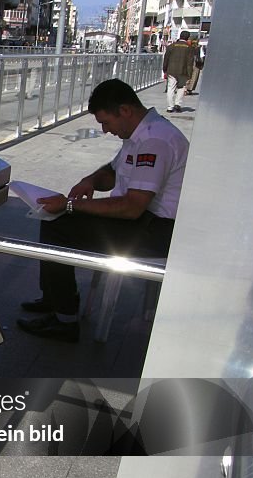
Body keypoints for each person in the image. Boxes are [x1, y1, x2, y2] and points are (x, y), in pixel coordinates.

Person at [16, 78, 189, 342]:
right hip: (144, 220)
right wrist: (91, 181)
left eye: (106, 122)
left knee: (59, 226)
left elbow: (132, 207)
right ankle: (54, 298)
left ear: (125, 110)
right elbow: (113, 172)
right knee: (55, 218)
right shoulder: (140, 134)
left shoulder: (156, 141)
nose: (105, 130)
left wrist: (71, 204)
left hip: (157, 230)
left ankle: (65, 321)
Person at [162, 30, 194, 113]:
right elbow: (190, 63)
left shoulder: (171, 46)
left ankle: (170, 107)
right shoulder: (189, 48)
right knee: (181, 87)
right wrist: (190, 75)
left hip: (171, 70)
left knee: (170, 88)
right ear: (187, 38)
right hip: (183, 71)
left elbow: (166, 59)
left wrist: (164, 69)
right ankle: (177, 104)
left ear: (180, 36)